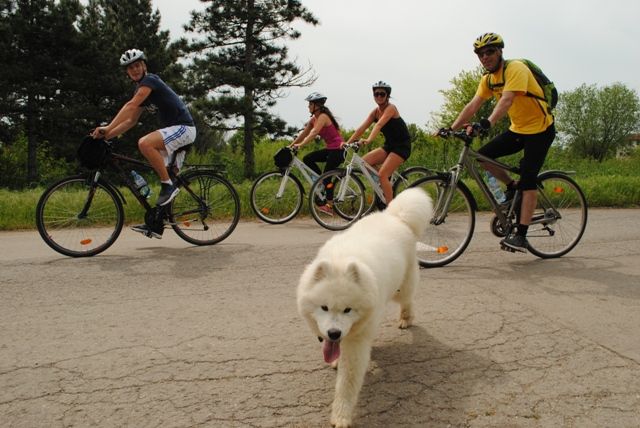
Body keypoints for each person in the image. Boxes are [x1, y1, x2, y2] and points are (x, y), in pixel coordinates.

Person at [446, 32, 556, 253]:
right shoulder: (488, 79)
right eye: (480, 54)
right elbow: (473, 104)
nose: (485, 57)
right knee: (483, 157)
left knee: (528, 180)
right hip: (518, 129)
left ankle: (521, 236)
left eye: (489, 52)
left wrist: (487, 123)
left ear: (500, 52)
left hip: (541, 130)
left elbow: (507, 100)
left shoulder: (515, 69)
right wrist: (451, 128)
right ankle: (512, 187)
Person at [91, 49, 196, 237]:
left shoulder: (150, 81)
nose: (135, 70)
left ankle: (168, 185)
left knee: (145, 143)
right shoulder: (141, 90)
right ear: (127, 72)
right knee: (168, 173)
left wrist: (107, 128)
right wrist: (107, 136)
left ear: (144, 66)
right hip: (174, 133)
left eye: (137, 65)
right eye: (130, 68)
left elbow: (130, 105)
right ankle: (157, 225)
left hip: (184, 128)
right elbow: (130, 121)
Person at [344, 81, 411, 205]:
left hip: (402, 147)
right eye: (376, 94)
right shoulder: (375, 112)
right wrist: (347, 143)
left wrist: (369, 139)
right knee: (364, 162)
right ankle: (386, 183)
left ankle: (391, 208)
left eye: (382, 94)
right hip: (389, 146)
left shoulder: (391, 108)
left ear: (387, 96)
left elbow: (379, 125)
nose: (379, 96)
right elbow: (361, 128)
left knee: (382, 175)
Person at [290, 92, 345, 215]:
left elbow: (314, 133)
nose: (308, 106)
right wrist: (291, 145)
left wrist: (301, 145)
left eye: (310, 104)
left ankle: (329, 205)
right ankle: (321, 181)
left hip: (338, 150)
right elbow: (304, 134)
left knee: (327, 176)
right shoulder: (313, 119)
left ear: (317, 106)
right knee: (308, 159)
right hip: (331, 149)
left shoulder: (323, 117)